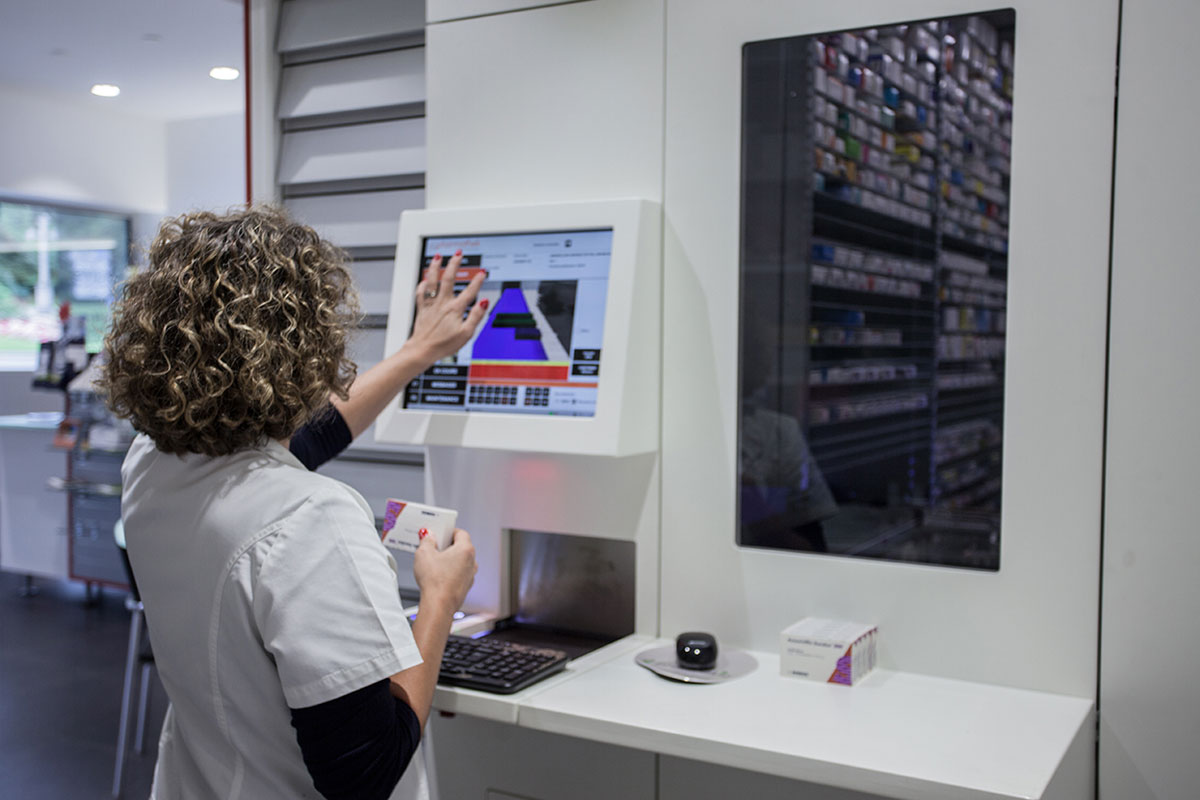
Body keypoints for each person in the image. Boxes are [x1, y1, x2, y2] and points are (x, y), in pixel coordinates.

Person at [100, 205, 488, 800]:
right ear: (306, 346)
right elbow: (366, 772)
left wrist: (418, 351)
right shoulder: (311, 519)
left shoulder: (151, 464)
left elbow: (304, 439)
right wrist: (440, 597)